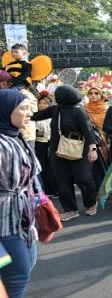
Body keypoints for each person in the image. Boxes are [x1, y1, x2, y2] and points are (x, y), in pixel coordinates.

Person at [31, 85, 98, 221]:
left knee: (83, 179)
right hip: (57, 151)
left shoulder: (79, 112)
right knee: (62, 181)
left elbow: (88, 131)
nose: (55, 97)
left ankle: (91, 203)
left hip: (79, 150)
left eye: (57, 94)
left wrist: (92, 149)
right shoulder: (56, 110)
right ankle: (70, 210)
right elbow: (36, 116)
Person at [0, 90, 39, 298]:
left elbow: (31, 176)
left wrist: (41, 201)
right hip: (3, 227)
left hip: (23, 222)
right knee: (18, 276)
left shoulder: (17, 137)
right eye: (24, 108)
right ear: (6, 111)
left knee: (27, 265)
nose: (30, 112)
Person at [35, 92, 58, 197]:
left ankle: (54, 189)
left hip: (51, 144)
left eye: (45, 103)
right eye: (40, 103)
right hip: (39, 145)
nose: (42, 105)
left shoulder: (53, 117)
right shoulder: (34, 116)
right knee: (42, 167)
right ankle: (45, 190)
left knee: (52, 167)